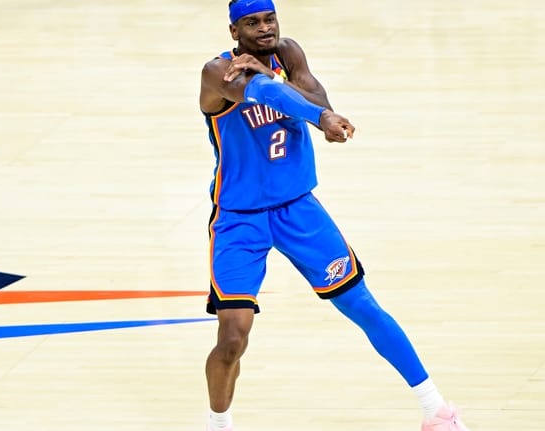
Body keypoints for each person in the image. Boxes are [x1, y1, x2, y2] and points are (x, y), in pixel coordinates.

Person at [198, 1, 471, 430]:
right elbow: (270, 95)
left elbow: (317, 96)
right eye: (252, 23)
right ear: (235, 32)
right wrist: (319, 115)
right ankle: (218, 423)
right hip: (240, 216)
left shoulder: (288, 53)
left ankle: (435, 409)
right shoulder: (218, 73)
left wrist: (301, 95)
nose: (265, 29)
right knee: (232, 336)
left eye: (269, 19)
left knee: (362, 304)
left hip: (298, 208)